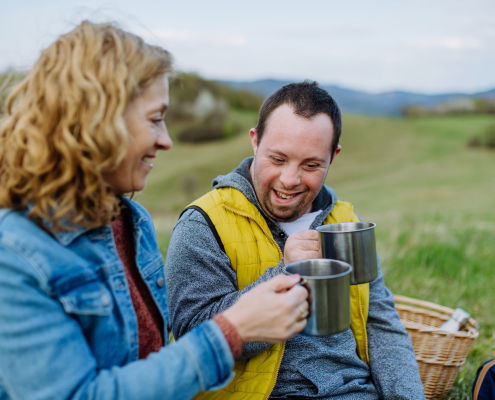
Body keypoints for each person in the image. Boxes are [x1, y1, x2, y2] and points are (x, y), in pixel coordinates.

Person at [0, 21, 311, 400]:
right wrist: (233, 329)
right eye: (155, 119)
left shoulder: (129, 221)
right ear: (96, 121)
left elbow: (148, 367)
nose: (166, 140)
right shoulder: (2, 254)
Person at [165, 81, 426, 399]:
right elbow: (193, 338)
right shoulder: (203, 224)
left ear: (333, 157)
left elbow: (381, 324)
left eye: (311, 165)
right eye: (277, 159)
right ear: (255, 141)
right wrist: (285, 272)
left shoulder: (345, 223)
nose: (289, 180)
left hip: (352, 391)